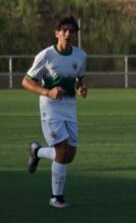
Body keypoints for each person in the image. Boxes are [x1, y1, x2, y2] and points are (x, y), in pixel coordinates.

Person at [23, 16, 88, 209]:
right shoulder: (46, 56)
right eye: (64, 30)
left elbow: (78, 78)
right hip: (50, 107)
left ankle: (37, 151)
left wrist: (80, 89)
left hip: (69, 106)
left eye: (72, 31)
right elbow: (26, 81)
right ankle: (55, 198)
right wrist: (47, 92)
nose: (68, 34)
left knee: (69, 155)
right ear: (57, 33)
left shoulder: (80, 56)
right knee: (61, 151)